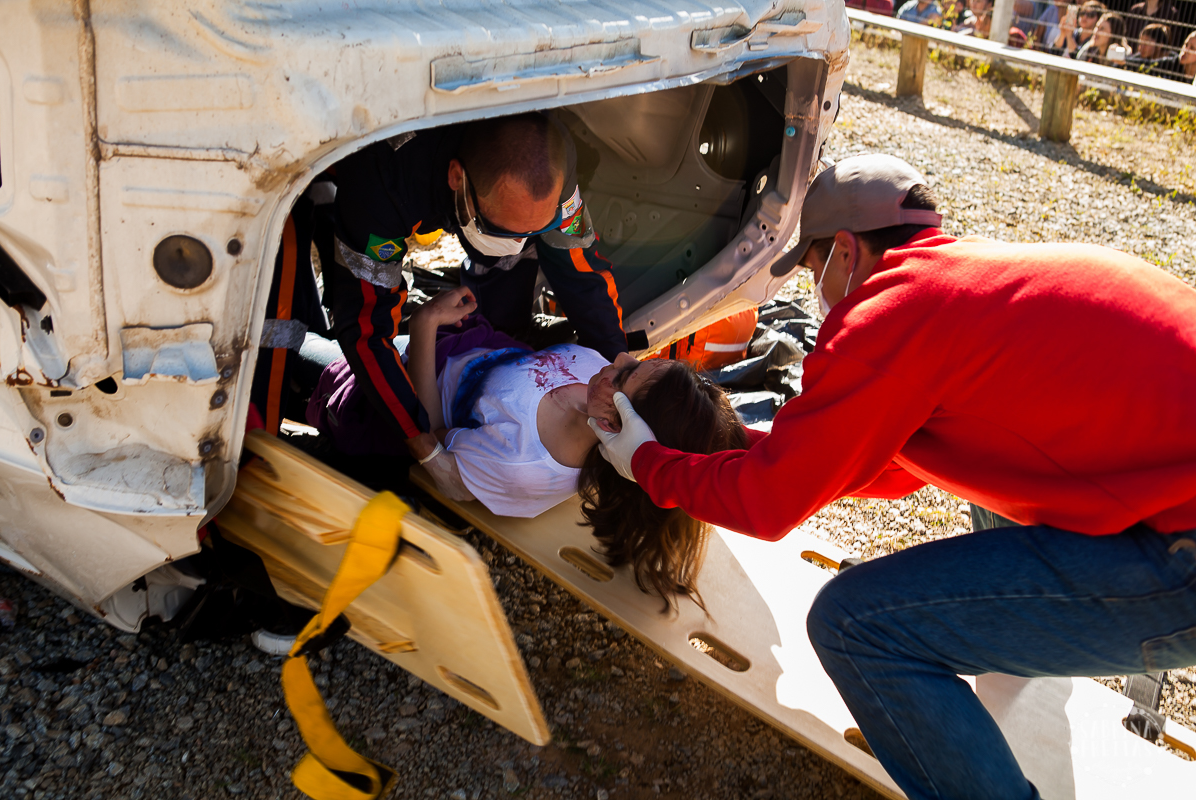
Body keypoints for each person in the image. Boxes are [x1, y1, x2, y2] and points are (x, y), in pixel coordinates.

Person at [589, 153, 1196, 800]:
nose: (816, 291)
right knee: (995, 496)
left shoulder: (887, 313)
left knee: (856, 626)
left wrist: (645, 463)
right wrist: (734, 455)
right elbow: (889, 468)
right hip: (1163, 495)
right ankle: (1005, 668)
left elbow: (769, 506)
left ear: (845, 252)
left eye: (815, 268)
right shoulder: (969, 283)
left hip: (1180, 558)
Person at [311, 285, 748, 609]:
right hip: (452, 344)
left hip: (390, 387)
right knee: (319, 322)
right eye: (637, 362)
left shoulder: (520, 460)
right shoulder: (597, 388)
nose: (616, 359)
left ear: (620, 425)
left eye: (625, 375)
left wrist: (424, 326)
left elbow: (428, 430)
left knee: (297, 349)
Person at [319, 112, 627, 498]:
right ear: (455, 179)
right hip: (381, 170)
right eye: (507, 232)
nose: (520, 246)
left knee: (509, 268)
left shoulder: (556, 162)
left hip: (459, 343)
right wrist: (421, 443)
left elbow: (583, 273)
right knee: (354, 397)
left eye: (535, 231)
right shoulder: (383, 181)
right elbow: (365, 326)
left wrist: (618, 362)